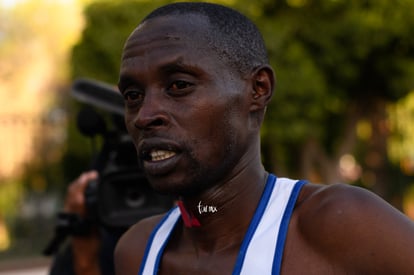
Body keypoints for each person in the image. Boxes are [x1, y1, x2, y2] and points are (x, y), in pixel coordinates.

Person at [114, 2, 414, 274]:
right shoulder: (137, 251)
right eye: (133, 95)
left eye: (179, 85)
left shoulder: (340, 225)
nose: (144, 115)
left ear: (257, 89)